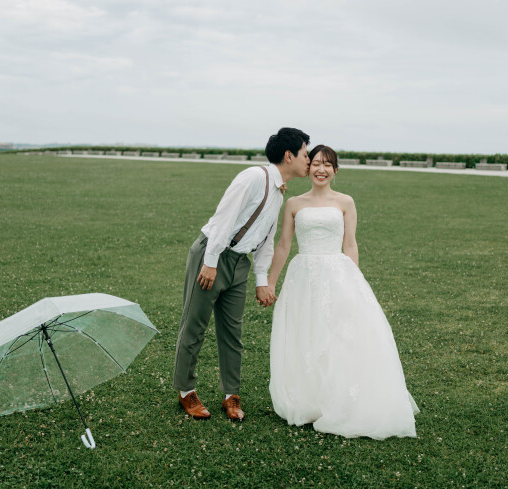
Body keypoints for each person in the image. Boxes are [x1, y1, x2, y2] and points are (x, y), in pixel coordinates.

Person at [266, 145, 419, 438]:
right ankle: (310, 398)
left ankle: (341, 397)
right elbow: (283, 245)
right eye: (316, 164)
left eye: (328, 165)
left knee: (339, 335)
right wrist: (271, 282)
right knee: (306, 333)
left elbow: (350, 243)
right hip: (303, 276)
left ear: (335, 170)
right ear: (308, 168)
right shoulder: (294, 203)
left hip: (336, 274)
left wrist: (354, 281)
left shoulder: (345, 202)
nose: (321, 169)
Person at [174, 127, 311, 421]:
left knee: (233, 333)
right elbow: (224, 218)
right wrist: (210, 261)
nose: (309, 160)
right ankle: (186, 392)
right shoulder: (253, 177)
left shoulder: (279, 193)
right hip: (212, 254)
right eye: (305, 153)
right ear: (289, 156)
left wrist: (262, 281)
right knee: (194, 326)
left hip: (239, 263)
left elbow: (266, 240)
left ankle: (231, 395)